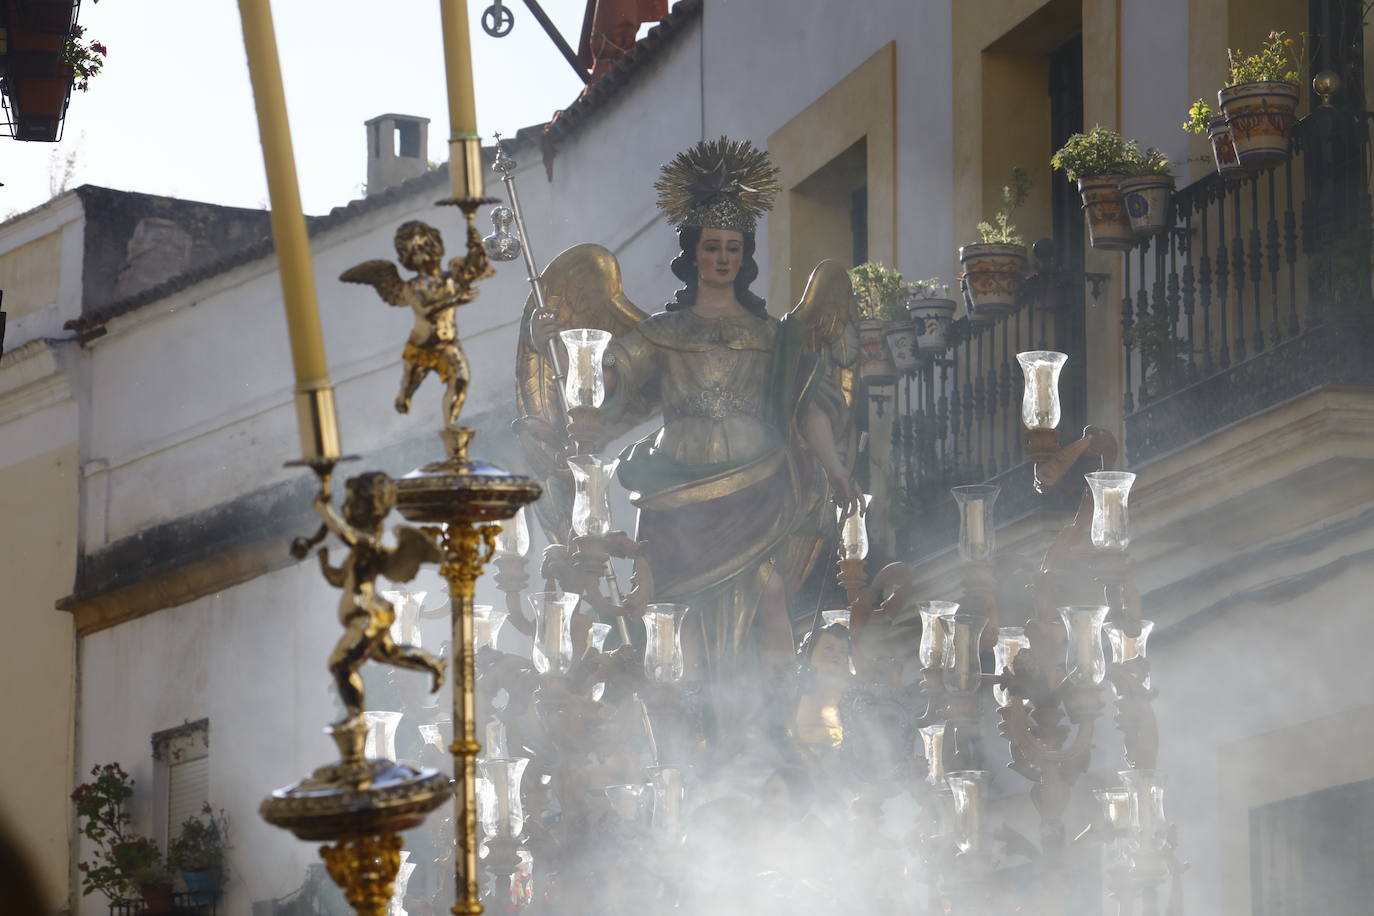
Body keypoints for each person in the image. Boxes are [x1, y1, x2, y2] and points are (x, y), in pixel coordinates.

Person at [531, 138, 860, 743]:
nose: (723, 258)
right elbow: (600, 379)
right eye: (713, 247)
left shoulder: (774, 335)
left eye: (734, 248)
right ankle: (686, 733)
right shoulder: (661, 332)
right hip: (678, 498)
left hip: (758, 487)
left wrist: (835, 464)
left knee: (771, 593)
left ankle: (773, 726)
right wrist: (554, 342)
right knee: (675, 617)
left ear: (746, 256)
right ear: (693, 254)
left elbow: (809, 405)